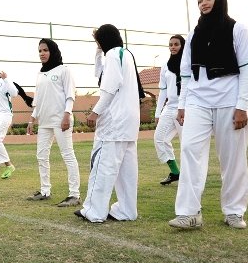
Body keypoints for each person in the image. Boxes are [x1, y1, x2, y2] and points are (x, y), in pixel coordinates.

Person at [168, 0, 248, 230]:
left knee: (233, 158)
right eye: (200, 0)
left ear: (220, 0)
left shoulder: (238, 29)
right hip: (197, 101)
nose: (204, 3)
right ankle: (189, 213)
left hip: (230, 101)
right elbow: (185, 73)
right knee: (190, 151)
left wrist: (241, 106)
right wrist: (182, 104)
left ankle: (234, 211)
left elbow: (247, 69)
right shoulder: (194, 34)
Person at [74, 24, 142, 222]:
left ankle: (94, 211)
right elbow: (100, 75)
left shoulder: (113, 55)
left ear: (104, 38)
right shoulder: (125, 54)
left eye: (98, 40)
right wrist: (97, 52)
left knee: (103, 167)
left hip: (113, 123)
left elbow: (109, 87)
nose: (98, 44)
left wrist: (95, 113)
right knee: (127, 172)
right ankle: (127, 211)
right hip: (129, 123)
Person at [26, 38, 81, 207]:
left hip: (60, 120)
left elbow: (70, 95)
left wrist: (66, 115)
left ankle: (74, 195)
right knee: (41, 156)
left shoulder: (64, 70)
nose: (42, 54)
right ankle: (45, 191)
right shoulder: (41, 74)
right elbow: (39, 99)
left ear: (53, 51)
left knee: (67, 155)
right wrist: (32, 119)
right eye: (40, 51)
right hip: (44, 122)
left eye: (45, 50)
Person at [154, 35, 185, 185]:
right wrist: (158, 113)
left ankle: (190, 176)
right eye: (171, 45)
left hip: (185, 108)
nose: (173, 47)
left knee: (187, 144)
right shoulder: (165, 65)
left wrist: (184, 107)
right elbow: (163, 91)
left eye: (176, 44)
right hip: (170, 107)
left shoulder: (188, 63)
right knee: (159, 139)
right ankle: (175, 172)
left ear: (182, 46)